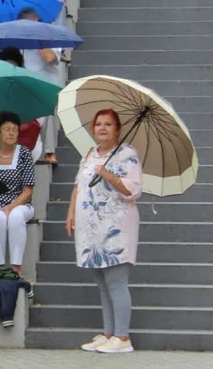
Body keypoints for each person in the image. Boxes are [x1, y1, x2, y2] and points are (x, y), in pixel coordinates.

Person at [66, 109, 142, 354]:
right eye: (98, 124)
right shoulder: (89, 154)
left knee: (116, 281)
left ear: (117, 129)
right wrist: (71, 213)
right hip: (91, 228)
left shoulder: (127, 154)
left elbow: (133, 191)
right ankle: (109, 333)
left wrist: (108, 175)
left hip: (115, 227)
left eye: (108, 124)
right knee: (101, 282)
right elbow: (78, 186)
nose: (102, 128)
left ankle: (122, 337)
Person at [0, 111, 36, 276]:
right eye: (7, 129)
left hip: (20, 202)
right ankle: (1, 265)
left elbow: (28, 190)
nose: (11, 133)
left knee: (16, 217)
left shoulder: (24, 153)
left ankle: (16, 267)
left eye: (15, 129)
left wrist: (11, 206)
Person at [18, 7, 62, 164]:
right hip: (26, 87)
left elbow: (50, 58)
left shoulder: (49, 36)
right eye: (26, 20)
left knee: (48, 109)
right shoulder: (19, 43)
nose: (30, 23)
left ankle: (50, 152)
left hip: (46, 86)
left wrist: (37, 41)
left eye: (33, 19)